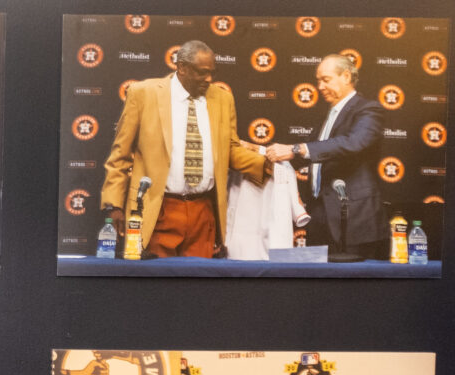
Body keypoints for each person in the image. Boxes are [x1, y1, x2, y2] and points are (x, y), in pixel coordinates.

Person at [100, 40, 268, 259]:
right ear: (182, 67)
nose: (209, 79)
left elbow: (230, 150)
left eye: (212, 72)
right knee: (156, 280)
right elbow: (119, 156)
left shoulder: (223, 98)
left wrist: (268, 165)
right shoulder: (143, 93)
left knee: (199, 280)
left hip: (203, 212)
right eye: (202, 72)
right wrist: (113, 205)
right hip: (158, 209)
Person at [266, 54, 386, 260]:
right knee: (319, 278)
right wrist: (260, 151)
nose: (319, 87)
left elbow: (354, 143)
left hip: (354, 219)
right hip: (320, 216)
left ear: (346, 76)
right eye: (318, 81)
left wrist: (295, 148)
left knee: (356, 279)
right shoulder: (327, 115)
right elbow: (312, 154)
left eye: (326, 80)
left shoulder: (368, 109)